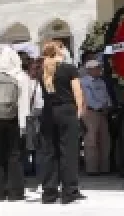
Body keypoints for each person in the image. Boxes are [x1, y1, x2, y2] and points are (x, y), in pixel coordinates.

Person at [37, 39, 86, 205]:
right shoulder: (69, 68)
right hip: (66, 111)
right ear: (60, 51)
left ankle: (49, 192)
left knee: (49, 152)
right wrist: (79, 111)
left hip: (48, 112)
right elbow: (77, 92)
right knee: (69, 152)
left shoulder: (42, 70)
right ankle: (69, 191)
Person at [0, 47, 33, 202]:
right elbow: (24, 103)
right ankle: (15, 192)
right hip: (13, 120)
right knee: (14, 156)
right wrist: (23, 125)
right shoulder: (21, 77)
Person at [79, 59, 112, 176]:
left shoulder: (101, 82)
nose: (99, 70)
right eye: (97, 68)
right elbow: (88, 99)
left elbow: (106, 95)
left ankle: (104, 167)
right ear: (90, 70)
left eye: (99, 68)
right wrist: (99, 107)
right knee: (91, 140)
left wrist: (108, 106)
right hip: (91, 112)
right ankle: (92, 168)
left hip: (103, 113)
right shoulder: (83, 82)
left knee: (104, 140)